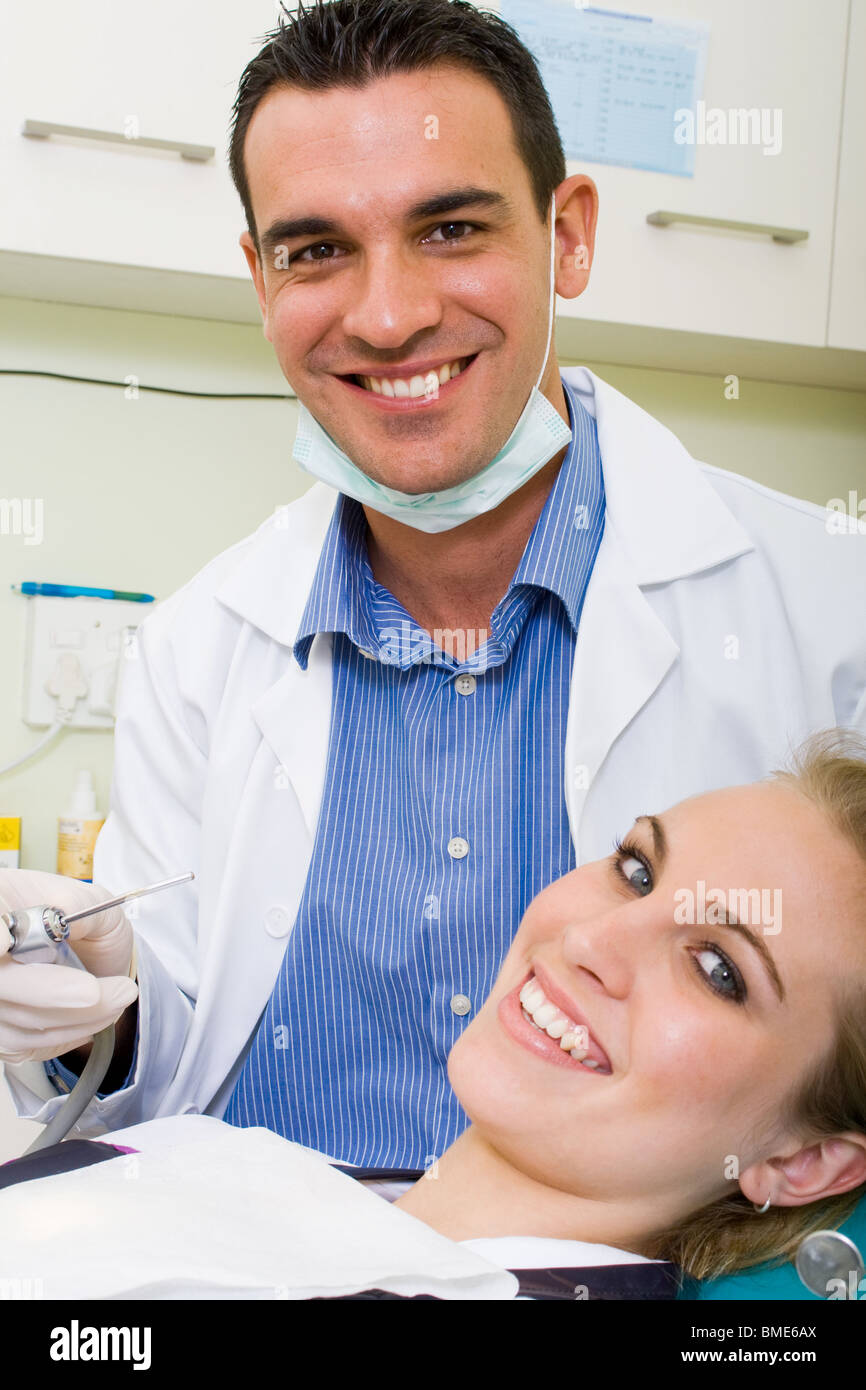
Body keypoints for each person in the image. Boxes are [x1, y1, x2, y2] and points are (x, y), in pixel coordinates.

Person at [1, 0, 865, 1171]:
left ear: (567, 236)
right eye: (316, 250)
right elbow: (163, 1066)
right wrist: (92, 997)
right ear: (260, 280)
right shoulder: (198, 644)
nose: (390, 315)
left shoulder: (824, 606)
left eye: (450, 229)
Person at [2, 731, 865, 1300]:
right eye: (636, 871)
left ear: (807, 1162)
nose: (594, 937)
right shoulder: (266, 1168)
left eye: (719, 969)